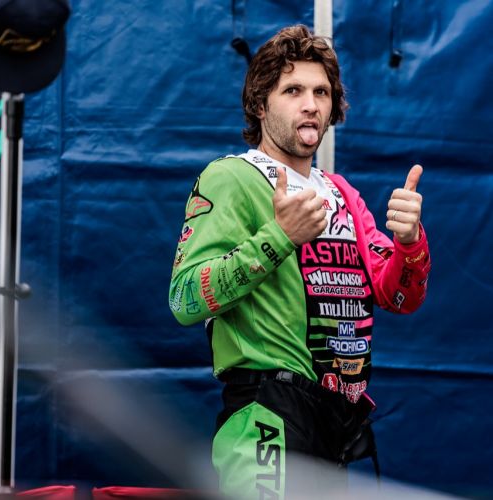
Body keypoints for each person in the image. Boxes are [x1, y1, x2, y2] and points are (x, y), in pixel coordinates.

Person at [169, 24, 430, 499]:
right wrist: (280, 237)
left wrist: (410, 242)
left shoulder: (342, 193)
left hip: (338, 423)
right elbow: (184, 298)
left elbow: (398, 296)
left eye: (320, 92)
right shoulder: (230, 177)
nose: (310, 104)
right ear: (260, 104)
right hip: (266, 413)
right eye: (293, 90)